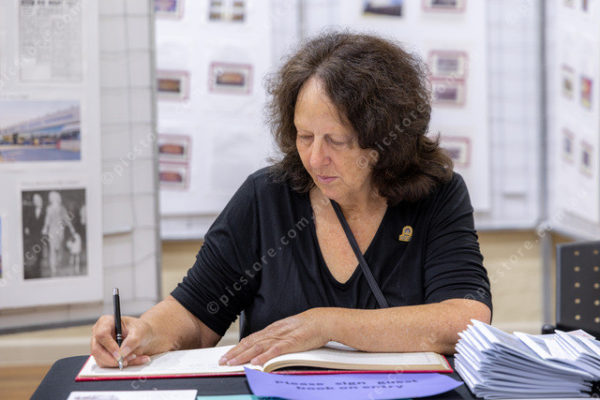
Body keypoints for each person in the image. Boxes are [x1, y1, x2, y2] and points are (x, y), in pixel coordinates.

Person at [91, 31, 492, 368]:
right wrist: (143, 331)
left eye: (336, 140)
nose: (315, 158)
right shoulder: (265, 197)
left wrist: (326, 325)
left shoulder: (436, 195)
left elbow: (464, 318)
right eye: (305, 136)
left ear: (384, 141)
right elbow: (195, 314)